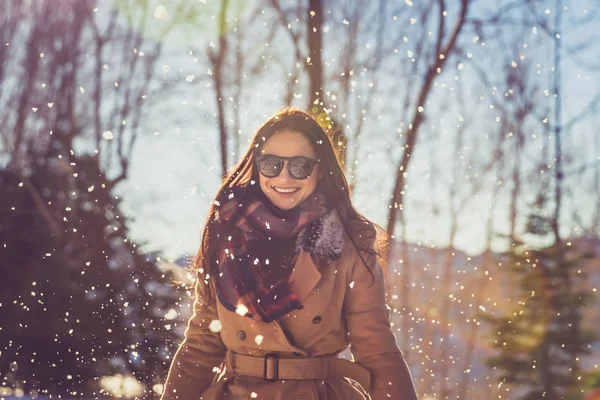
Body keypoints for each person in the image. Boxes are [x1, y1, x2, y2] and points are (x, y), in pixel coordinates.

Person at [161, 108, 419, 400]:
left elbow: (377, 351)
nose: (284, 176)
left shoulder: (348, 244)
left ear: (320, 169)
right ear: (257, 167)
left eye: (300, 165)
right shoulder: (225, 238)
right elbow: (200, 348)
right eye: (270, 164)